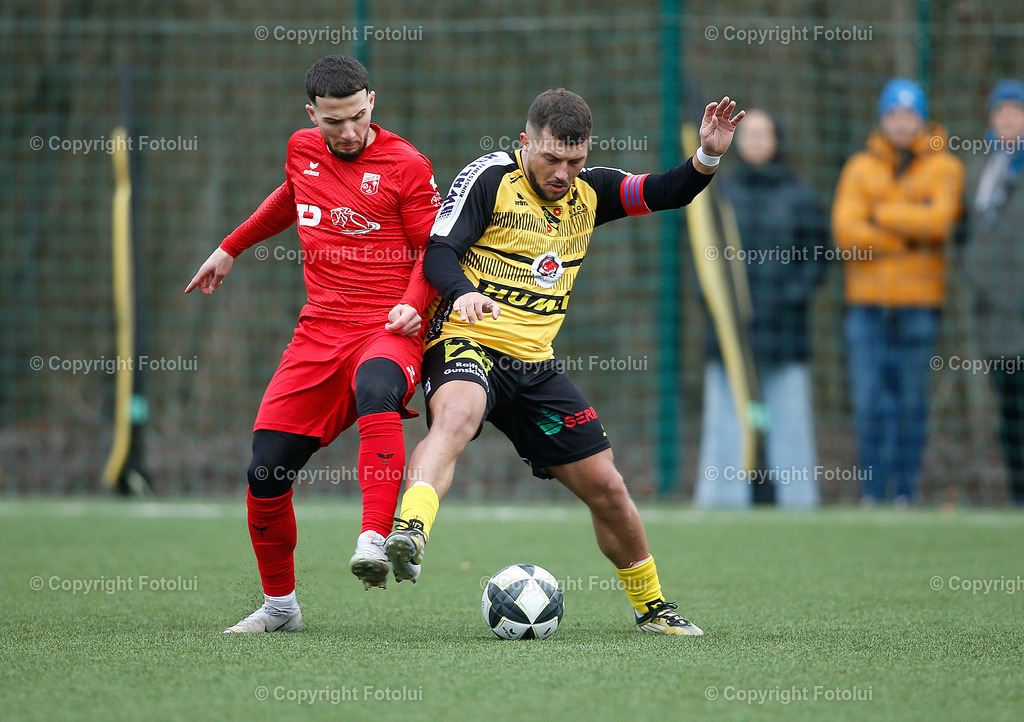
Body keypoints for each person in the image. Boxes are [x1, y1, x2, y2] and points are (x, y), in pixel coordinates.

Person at [382, 89, 744, 636]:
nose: (563, 172)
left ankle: (653, 608)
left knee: (607, 487)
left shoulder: (589, 190)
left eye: (574, 161)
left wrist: (707, 156)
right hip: (466, 339)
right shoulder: (489, 178)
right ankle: (412, 529)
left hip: (535, 363)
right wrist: (460, 294)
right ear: (525, 142)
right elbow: (438, 251)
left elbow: (667, 192)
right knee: (458, 416)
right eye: (552, 158)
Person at [185, 55, 442, 633]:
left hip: (388, 327)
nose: (347, 132)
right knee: (266, 472)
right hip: (319, 332)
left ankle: (375, 537)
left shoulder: (406, 164)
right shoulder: (302, 148)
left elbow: (435, 248)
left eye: (356, 117)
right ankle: (280, 606)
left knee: (379, 386)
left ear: (371, 102)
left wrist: (413, 302)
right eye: (333, 122)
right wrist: (230, 247)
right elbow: (291, 196)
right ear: (312, 115)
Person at [832, 78, 963, 505]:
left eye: (909, 115)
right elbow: (847, 234)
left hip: (920, 307)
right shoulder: (858, 168)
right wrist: (908, 232)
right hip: (866, 306)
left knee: (910, 404)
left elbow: (940, 223)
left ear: (921, 119)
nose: (901, 123)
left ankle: (905, 492)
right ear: (882, 118)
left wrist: (880, 214)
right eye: (893, 114)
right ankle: (872, 492)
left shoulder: (947, 168)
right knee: (868, 402)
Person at [693, 109, 828, 509]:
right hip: (729, 336)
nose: (754, 141)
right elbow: (704, 261)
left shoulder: (800, 196)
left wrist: (788, 300)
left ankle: (798, 502)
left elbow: (817, 258)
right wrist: (724, 310)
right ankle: (721, 501)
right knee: (727, 422)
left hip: (786, 332)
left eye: (762, 133)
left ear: (777, 140)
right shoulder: (719, 194)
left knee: (789, 422)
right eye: (747, 134)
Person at [961, 79, 1024, 506]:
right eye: (1000, 110)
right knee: (1010, 411)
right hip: (994, 314)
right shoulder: (979, 171)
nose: (1007, 117)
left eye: (1015, 110)